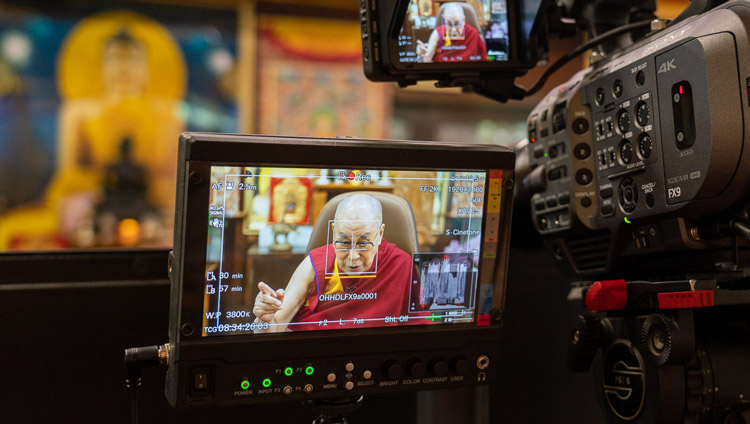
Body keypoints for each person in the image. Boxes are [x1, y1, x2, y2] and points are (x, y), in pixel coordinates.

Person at [253, 193, 415, 332]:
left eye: (363, 243)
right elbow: (273, 329)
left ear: (379, 234)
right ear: (334, 232)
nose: (352, 256)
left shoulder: (401, 264)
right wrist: (263, 320)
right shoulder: (316, 263)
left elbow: (420, 331)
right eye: (344, 242)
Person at [416, 2, 487, 63]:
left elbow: (485, 60)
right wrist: (422, 55)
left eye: (457, 24)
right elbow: (427, 59)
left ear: (464, 20)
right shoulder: (438, 33)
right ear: (444, 21)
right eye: (449, 24)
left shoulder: (473, 34)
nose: (453, 30)